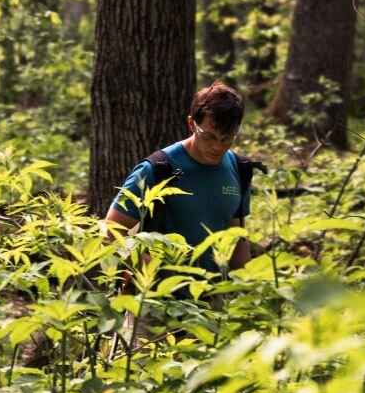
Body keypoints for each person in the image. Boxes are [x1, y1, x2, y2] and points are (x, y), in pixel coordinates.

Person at [104, 83, 254, 273]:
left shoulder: (241, 170)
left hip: (213, 294)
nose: (217, 146)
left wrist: (248, 287)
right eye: (209, 136)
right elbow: (111, 231)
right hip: (159, 297)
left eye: (227, 138)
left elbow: (237, 238)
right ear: (191, 124)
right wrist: (152, 270)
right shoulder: (157, 169)